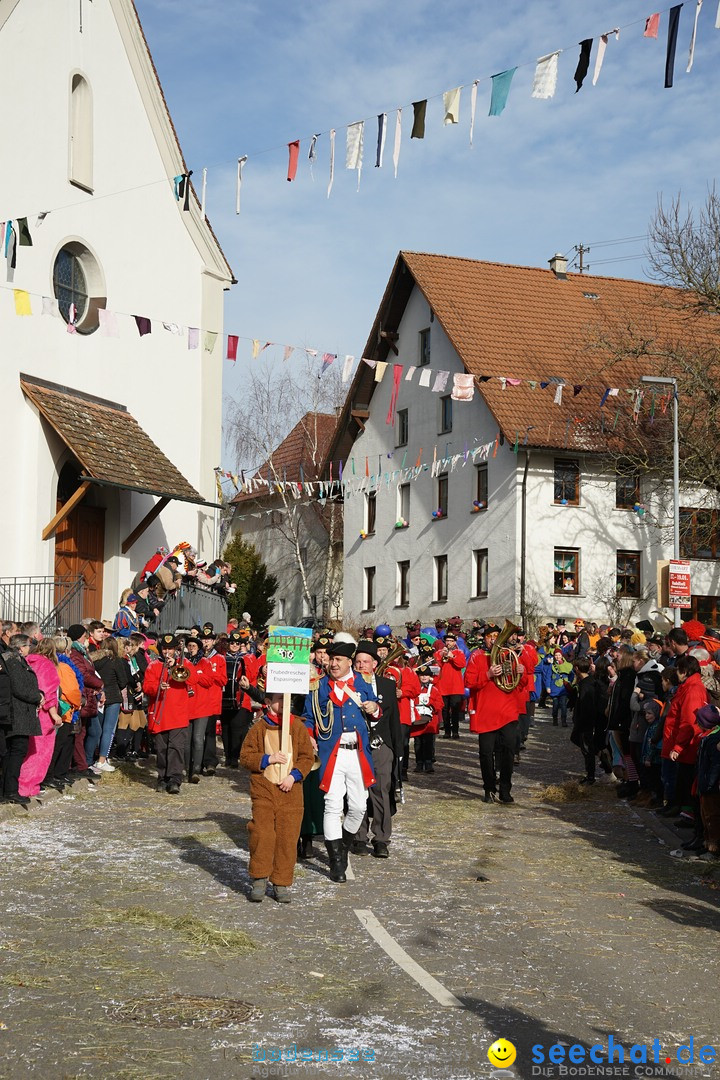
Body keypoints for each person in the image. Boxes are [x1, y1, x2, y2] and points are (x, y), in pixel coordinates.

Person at [302, 637, 379, 882]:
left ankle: (343, 847)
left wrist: (374, 708)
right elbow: (307, 717)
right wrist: (309, 736)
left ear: (349, 662)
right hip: (330, 752)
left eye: (338, 660)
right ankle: (336, 861)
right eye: (331, 659)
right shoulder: (318, 686)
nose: (333, 664)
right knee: (332, 805)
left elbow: (377, 712)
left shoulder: (363, 683)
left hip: (357, 753)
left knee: (359, 807)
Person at [239, 690, 315, 902]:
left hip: (291, 791)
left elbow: (307, 757)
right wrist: (267, 758)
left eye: (288, 699)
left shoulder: (297, 726)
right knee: (262, 833)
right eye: (280, 699)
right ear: (268, 702)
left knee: (287, 837)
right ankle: (259, 878)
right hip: (264, 788)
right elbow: (245, 757)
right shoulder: (259, 727)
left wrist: (294, 776)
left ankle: (281, 882)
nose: (284, 703)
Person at [465, 624, 528, 804]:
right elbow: (469, 682)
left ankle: (505, 789)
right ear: (483, 638)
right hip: (486, 713)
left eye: (496, 635)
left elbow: (520, 684)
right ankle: (489, 788)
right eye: (489, 636)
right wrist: (488, 674)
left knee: (508, 751)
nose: (493, 639)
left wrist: (521, 673)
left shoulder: (509, 655)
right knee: (486, 753)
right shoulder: (477, 656)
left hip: (508, 712)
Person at [351, 640, 403, 859]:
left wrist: (397, 751)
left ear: (374, 664)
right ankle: (359, 836)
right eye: (358, 662)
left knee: (381, 789)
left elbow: (394, 721)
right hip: (355, 743)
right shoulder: (348, 684)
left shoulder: (387, 685)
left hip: (382, 744)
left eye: (366, 662)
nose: (362, 665)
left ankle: (381, 838)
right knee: (357, 790)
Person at [144, 634, 197, 794]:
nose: (167, 652)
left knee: (176, 748)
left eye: (170, 649)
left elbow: (193, 680)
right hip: (160, 712)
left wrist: (176, 666)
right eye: (165, 649)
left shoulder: (184, 663)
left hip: (178, 713)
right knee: (161, 748)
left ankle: (175, 779)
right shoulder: (153, 665)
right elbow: (147, 686)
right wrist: (158, 687)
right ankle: (162, 778)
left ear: (176, 649)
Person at [1, 635, 43, 805]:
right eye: (27, 645)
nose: (29, 648)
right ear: (20, 647)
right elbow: (19, 688)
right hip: (17, 712)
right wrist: (37, 697)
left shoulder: (16, 659)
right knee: (16, 750)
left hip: (21, 712)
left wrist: (40, 694)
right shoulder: (12, 660)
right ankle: (10, 790)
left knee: (16, 751)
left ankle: (10, 789)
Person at [18, 639, 62, 801]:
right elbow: (47, 691)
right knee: (40, 751)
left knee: (25, 748)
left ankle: (19, 783)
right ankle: (28, 785)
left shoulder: (27, 661)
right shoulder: (47, 665)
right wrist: (54, 714)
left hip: (26, 710)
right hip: (43, 714)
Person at [90, 637, 129, 773]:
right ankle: (102, 760)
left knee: (97, 730)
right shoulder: (116, 661)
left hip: (97, 696)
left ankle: (93, 757)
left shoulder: (94, 660)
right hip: (112, 697)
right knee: (108, 730)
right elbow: (123, 681)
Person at [569, 657, 605, 785]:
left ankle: (591, 776)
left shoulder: (586, 685)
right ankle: (598, 754)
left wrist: (582, 722)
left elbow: (587, 706)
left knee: (587, 749)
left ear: (577, 669)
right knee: (576, 739)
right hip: (584, 721)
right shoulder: (585, 682)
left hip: (586, 722)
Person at [409, 658, 443, 772]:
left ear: (430, 677)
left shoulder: (434, 690)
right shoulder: (415, 689)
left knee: (428, 743)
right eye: (422, 675)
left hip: (430, 723)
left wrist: (431, 704)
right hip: (418, 721)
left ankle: (428, 763)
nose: (424, 677)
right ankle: (419, 763)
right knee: (418, 743)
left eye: (426, 676)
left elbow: (440, 704)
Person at [437, 630, 466, 739]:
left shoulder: (459, 653)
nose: (448, 643)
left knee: (455, 710)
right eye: (447, 641)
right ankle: (447, 731)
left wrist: (452, 656)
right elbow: (436, 665)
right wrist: (441, 655)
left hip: (455, 687)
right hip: (443, 686)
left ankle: (455, 731)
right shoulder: (440, 652)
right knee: (444, 710)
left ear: (455, 642)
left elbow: (462, 664)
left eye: (451, 641)